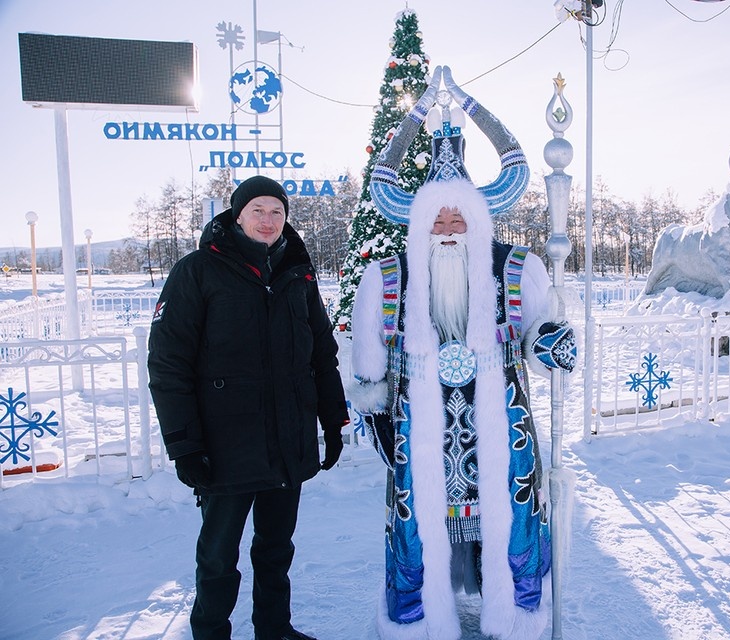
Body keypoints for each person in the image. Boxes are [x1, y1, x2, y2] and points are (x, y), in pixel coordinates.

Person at [349, 66, 576, 640]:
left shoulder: (517, 268)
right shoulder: (389, 275)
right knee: (415, 520)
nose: (448, 229)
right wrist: (373, 391)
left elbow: (539, 330)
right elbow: (368, 351)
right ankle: (415, 620)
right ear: (420, 223)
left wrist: (552, 341)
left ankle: (519, 614)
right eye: (438, 219)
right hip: (418, 419)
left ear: (477, 220)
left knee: (514, 514)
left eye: (459, 218)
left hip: (501, 418)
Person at [147, 175, 349, 640]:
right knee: (218, 557)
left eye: (277, 211)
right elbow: (168, 364)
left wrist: (333, 420)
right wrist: (184, 445)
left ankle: (274, 630)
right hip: (225, 448)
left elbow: (321, 352)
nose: (268, 219)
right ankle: (211, 633)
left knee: (276, 549)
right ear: (236, 215)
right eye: (257, 209)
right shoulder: (197, 271)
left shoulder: (298, 271)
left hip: (287, 441)